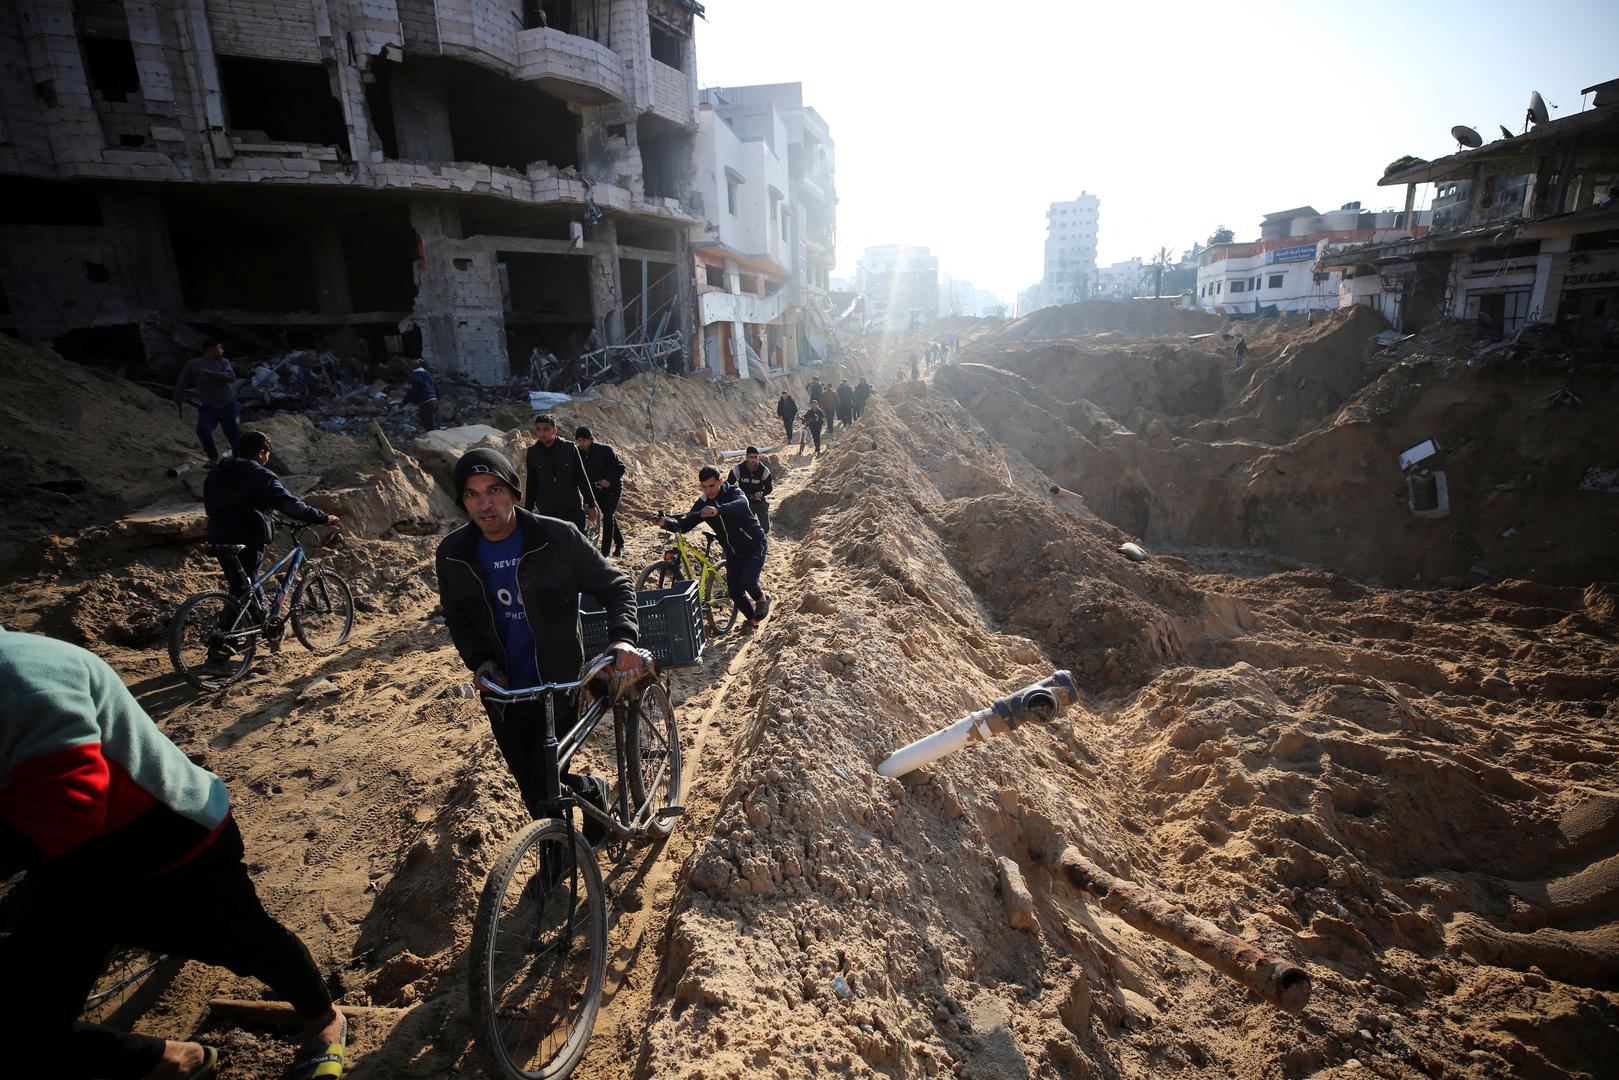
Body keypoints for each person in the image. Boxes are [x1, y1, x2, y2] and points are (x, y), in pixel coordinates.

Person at [0, 627, 348, 1080]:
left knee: (250, 941)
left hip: (173, 841)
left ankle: (323, 1017)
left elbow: (71, 807)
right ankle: (167, 1058)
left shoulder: (24, 677)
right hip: (71, 867)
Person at [436, 448, 640, 827]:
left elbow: (616, 586)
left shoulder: (557, 537)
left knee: (546, 782)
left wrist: (622, 638)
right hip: (504, 692)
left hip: (558, 682)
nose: (484, 504)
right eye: (472, 494)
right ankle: (590, 796)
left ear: (514, 492)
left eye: (494, 490)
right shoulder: (452, 554)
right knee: (531, 786)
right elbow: (457, 617)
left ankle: (556, 862)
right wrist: (481, 662)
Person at [203, 431, 339, 665]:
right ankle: (220, 651)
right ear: (261, 453)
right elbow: (291, 506)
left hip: (218, 537)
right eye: (267, 453)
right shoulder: (261, 474)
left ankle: (263, 628)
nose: (267, 457)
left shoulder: (218, 472)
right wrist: (323, 518)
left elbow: (229, 504)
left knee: (247, 584)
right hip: (246, 538)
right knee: (242, 592)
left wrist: (265, 516)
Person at [651, 467, 769, 627]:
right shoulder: (703, 502)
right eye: (704, 487)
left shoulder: (733, 491)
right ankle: (752, 620)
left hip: (754, 544)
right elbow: (685, 525)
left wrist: (718, 510)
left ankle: (761, 599)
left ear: (721, 481)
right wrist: (664, 523)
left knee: (747, 580)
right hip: (732, 551)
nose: (708, 490)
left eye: (712, 486)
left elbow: (741, 504)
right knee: (734, 590)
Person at [524, 414, 598, 532]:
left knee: (579, 547)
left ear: (554, 430)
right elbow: (531, 484)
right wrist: (527, 512)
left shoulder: (569, 448)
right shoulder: (533, 453)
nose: (541, 433)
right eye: (538, 430)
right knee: (553, 548)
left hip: (572, 509)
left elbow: (581, 478)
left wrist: (591, 505)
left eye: (546, 429)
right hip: (548, 511)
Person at [174, 341, 240, 467]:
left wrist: (210, 373)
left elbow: (231, 377)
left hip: (228, 405)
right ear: (209, 350)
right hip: (208, 406)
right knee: (203, 431)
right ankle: (213, 458)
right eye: (218, 349)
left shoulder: (224, 362)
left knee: (233, 434)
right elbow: (183, 380)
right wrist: (178, 395)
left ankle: (238, 458)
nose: (222, 351)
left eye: (221, 349)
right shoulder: (193, 364)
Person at [575, 426, 627, 558]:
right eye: (578, 440)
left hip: (612, 489)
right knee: (607, 516)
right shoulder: (577, 453)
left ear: (590, 439)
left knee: (608, 516)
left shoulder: (605, 450)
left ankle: (605, 553)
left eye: (583, 440)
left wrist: (608, 480)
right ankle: (620, 543)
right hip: (593, 489)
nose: (580, 443)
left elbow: (621, 468)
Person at [727, 446, 774, 535]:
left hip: (759, 501)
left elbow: (769, 487)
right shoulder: (738, 469)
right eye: (751, 457)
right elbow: (729, 485)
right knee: (745, 527)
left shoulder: (764, 471)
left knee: (765, 528)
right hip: (744, 501)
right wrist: (737, 495)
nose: (753, 460)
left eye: (755, 457)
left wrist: (762, 493)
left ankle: (760, 543)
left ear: (758, 457)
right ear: (746, 457)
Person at [402, 364, 439, 430]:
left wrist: (403, 403)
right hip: (435, 401)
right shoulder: (429, 374)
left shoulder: (414, 376)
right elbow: (437, 387)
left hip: (425, 403)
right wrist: (438, 399)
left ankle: (433, 439)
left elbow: (412, 391)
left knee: (429, 427)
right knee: (433, 424)